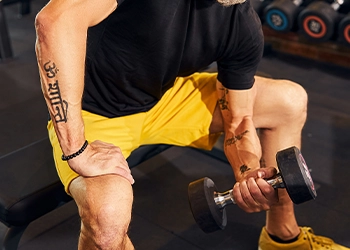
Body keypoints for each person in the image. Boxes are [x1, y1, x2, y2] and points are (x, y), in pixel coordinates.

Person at [34, 0, 348, 249]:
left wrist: (248, 174)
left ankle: (282, 237)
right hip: (96, 112)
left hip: (166, 98)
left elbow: (238, 118)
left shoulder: (239, 19)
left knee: (288, 101)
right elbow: (55, 21)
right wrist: (76, 148)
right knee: (107, 217)